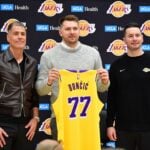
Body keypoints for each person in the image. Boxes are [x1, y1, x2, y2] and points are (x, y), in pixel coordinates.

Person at [36, 14, 109, 150]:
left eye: (75, 28)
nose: (72, 32)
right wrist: (49, 81)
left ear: (79, 30)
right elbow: (40, 90)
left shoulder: (92, 53)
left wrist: (105, 81)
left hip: (88, 121)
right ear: (60, 31)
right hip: (61, 120)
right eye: (68, 29)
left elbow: (101, 88)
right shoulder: (48, 55)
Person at [106, 22, 150, 150]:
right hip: (123, 128)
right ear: (124, 40)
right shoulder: (116, 66)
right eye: (130, 36)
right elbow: (112, 97)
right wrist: (109, 125)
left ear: (142, 38)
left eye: (137, 35)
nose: (134, 39)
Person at [0, 21, 39, 150]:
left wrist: (35, 118)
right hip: (3, 125)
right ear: (8, 37)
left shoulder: (32, 63)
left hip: (26, 126)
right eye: (16, 33)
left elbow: (34, 95)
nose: (20, 37)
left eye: (23, 34)